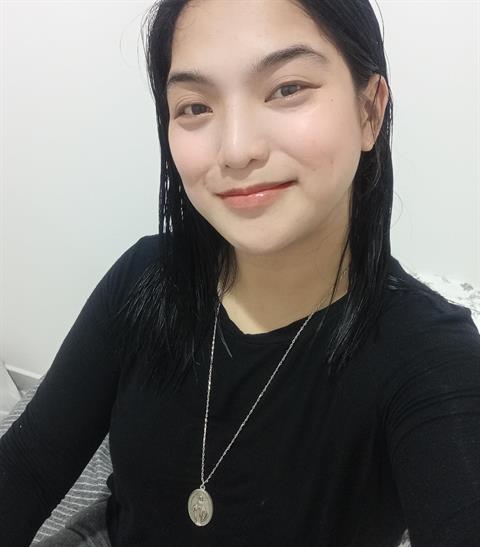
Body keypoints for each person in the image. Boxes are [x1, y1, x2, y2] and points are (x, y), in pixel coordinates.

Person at [1, 0, 479, 546]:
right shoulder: (146, 278)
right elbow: (29, 467)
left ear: (369, 111)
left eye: (287, 88)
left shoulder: (431, 357)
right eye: (195, 107)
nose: (236, 150)